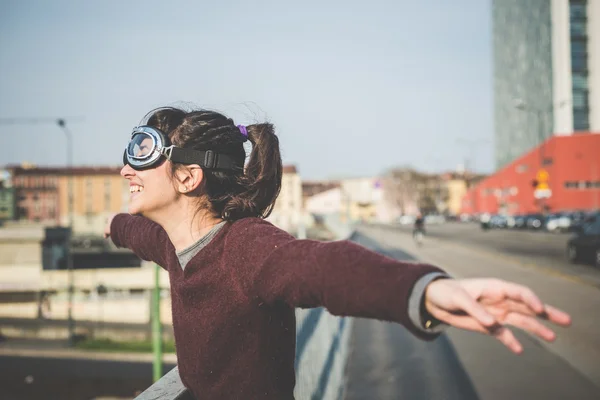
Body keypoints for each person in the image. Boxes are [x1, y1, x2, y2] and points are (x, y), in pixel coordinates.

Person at [105, 107, 571, 400]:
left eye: (142, 152)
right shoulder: (171, 243)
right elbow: (131, 231)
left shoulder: (244, 246)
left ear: (188, 178)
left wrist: (423, 290)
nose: (126, 168)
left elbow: (322, 266)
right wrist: (113, 226)